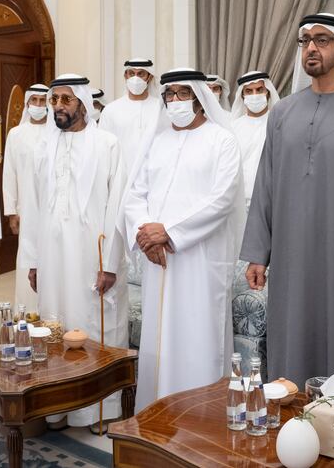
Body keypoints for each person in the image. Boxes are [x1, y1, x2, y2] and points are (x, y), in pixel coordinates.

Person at [240, 13, 334, 393]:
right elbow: (266, 184)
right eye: (305, 41)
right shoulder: (282, 113)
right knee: (290, 349)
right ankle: (291, 436)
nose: (311, 48)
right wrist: (258, 252)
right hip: (292, 262)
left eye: (322, 40)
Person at [120, 68, 244, 412]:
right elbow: (134, 195)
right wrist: (148, 233)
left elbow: (222, 199)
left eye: (182, 93)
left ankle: (199, 423)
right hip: (158, 259)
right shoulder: (157, 141)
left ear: (200, 99)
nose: (174, 101)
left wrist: (170, 232)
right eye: (169, 95)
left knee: (198, 340)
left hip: (200, 261)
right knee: (160, 340)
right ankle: (155, 418)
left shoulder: (222, 140)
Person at [23, 74, 128, 430]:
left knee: (95, 329)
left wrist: (110, 263)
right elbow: (35, 208)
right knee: (55, 325)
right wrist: (34, 260)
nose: (58, 107)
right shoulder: (44, 147)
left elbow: (117, 206)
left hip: (93, 256)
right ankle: (58, 406)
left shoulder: (108, 144)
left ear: (83, 103)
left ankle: (99, 410)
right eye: (54, 100)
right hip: (52, 258)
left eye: (66, 100)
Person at [2, 83, 49, 312]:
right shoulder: (16, 134)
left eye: (43, 101)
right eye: (34, 101)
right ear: (28, 104)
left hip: (50, 208)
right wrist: (11, 211)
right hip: (26, 208)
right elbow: (9, 172)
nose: (38, 106)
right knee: (27, 257)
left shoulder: (55, 132)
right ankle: (26, 311)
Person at [98, 59, 161, 170]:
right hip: (120, 176)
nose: (135, 78)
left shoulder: (160, 108)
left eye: (140, 74)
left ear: (149, 77)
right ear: (125, 76)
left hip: (152, 174)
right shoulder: (111, 110)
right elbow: (103, 148)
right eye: (131, 73)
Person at [230, 71, 280, 204]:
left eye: (259, 90)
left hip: (272, 200)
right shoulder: (233, 128)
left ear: (268, 92)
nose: (255, 95)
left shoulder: (280, 125)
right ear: (243, 95)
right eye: (249, 91)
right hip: (239, 201)